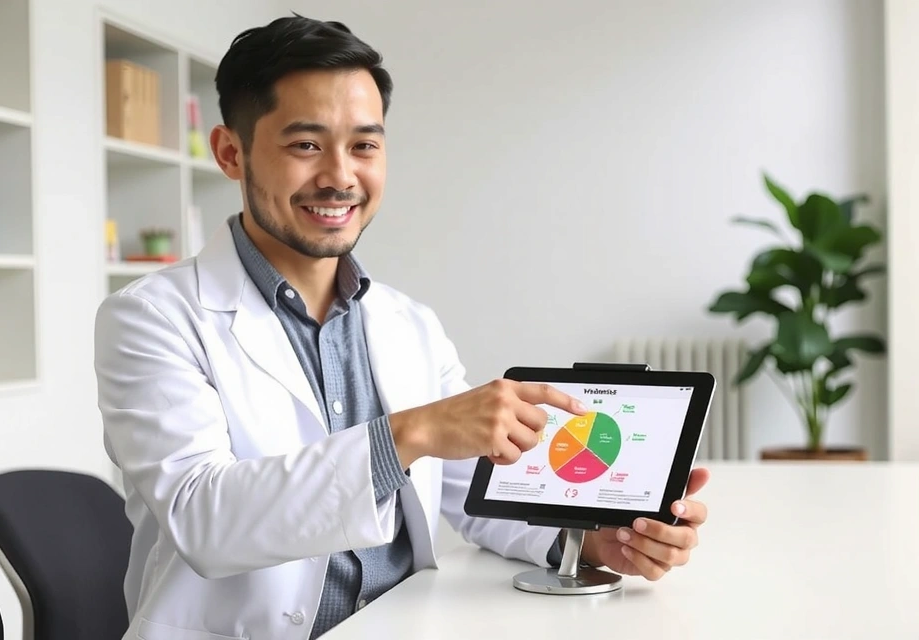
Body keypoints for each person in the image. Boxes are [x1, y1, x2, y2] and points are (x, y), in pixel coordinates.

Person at [93, 14, 710, 640]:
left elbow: (476, 496)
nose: (340, 177)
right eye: (305, 145)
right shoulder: (150, 318)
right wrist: (411, 434)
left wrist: (591, 542)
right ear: (231, 152)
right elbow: (203, 518)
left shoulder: (408, 323)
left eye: (364, 146)